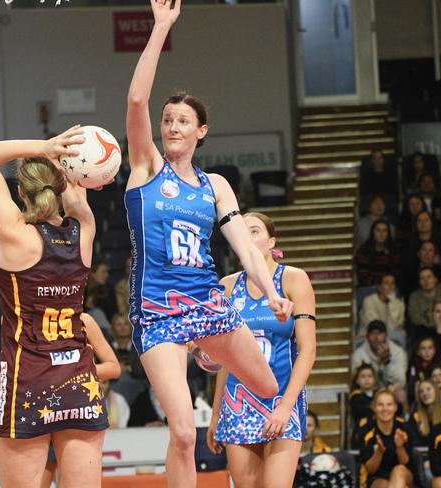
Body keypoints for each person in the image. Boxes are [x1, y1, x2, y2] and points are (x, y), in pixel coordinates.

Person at [124, 2, 292, 486]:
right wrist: (160, 28)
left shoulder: (214, 185)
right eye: (168, 118)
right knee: (182, 432)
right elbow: (137, 102)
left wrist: (272, 291)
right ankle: (201, 349)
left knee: (265, 383)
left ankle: (208, 350)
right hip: (157, 309)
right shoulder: (145, 168)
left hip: (205, 300)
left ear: (201, 132)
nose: (172, 126)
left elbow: (244, 246)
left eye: (183, 121)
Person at [0, 128, 110, 487]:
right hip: (78, 380)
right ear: (65, 185)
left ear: (20, 192)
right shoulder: (85, 230)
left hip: (27, 381)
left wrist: (44, 147)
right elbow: (78, 200)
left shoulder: (15, 234)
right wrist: (76, 167)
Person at [207, 212, 316, 488]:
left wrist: (286, 407)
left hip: (282, 398)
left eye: (254, 231)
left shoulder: (293, 279)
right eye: (242, 232)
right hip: (238, 401)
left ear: (272, 242)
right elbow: (227, 360)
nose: (247, 236)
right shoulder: (227, 287)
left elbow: (308, 350)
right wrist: (216, 414)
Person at [0, 312, 121, 487]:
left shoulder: (83, 320)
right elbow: (6, 372)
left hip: (72, 413)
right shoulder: (21, 319)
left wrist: (73, 370)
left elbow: (114, 368)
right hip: (35, 415)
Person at [357, 389, 413, 488]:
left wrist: (400, 447)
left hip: (404, 474)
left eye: (389, 404)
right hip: (376, 478)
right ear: (374, 407)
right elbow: (370, 469)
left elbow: (405, 462)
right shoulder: (365, 430)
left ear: (395, 407)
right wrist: (379, 452)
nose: (385, 409)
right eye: (380, 405)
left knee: (399, 470)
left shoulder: (404, 427)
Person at [351, 321, 408, 391]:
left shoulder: (398, 352)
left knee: (400, 392)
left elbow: (401, 381)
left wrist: (387, 362)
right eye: (372, 333)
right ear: (367, 337)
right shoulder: (359, 354)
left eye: (380, 333)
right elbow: (355, 381)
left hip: (391, 392)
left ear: (386, 335)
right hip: (367, 392)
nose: (376, 337)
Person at [359, 273, 406, 345]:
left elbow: (396, 326)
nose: (390, 286)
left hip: (390, 338)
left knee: (401, 334)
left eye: (392, 283)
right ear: (379, 287)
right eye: (386, 283)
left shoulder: (399, 304)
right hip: (368, 337)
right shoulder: (369, 301)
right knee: (399, 335)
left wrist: (392, 302)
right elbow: (373, 325)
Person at [355, 220, 401, 287]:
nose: (381, 234)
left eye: (384, 231)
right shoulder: (363, 250)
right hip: (369, 287)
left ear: (388, 234)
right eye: (378, 230)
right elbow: (362, 276)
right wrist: (382, 283)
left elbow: (396, 273)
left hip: (390, 287)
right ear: (373, 232)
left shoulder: (394, 250)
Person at [407, 379, 441, 448]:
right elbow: (413, 443)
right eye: (421, 392)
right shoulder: (415, 417)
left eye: (428, 389)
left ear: (436, 391)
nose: (425, 394)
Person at [350, 364, 377, 447]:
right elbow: (361, 410)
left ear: (374, 379)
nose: (366, 379)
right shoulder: (355, 397)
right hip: (361, 431)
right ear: (357, 380)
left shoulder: (378, 393)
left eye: (369, 376)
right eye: (363, 376)